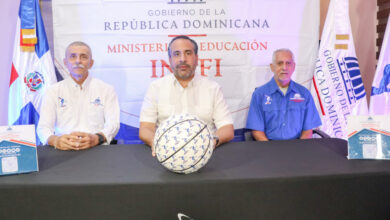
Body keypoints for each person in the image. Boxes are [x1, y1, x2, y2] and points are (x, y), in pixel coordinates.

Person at [139, 35, 234, 155]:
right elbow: (145, 128)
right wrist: (157, 144)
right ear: (170, 59)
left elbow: (227, 128)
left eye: (188, 53)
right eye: (176, 54)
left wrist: (211, 142)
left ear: (196, 58)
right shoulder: (156, 87)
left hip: (205, 153)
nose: (182, 59)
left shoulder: (212, 88)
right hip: (166, 154)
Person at [37, 41, 120, 150]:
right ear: (65, 62)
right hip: (63, 150)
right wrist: (56, 140)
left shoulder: (107, 89)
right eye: (73, 56)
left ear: (91, 63)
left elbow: (113, 124)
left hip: (97, 149)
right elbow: (43, 128)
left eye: (83, 57)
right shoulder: (53, 91)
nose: (78, 61)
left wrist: (96, 138)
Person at [246, 48, 321, 141]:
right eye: (280, 63)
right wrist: (270, 151)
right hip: (269, 147)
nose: (284, 68)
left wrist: (301, 151)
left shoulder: (305, 94)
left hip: (298, 147)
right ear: (272, 67)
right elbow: (257, 131)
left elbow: (308, 130)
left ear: (293, 67)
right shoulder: (259, 95)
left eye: (288, 63)